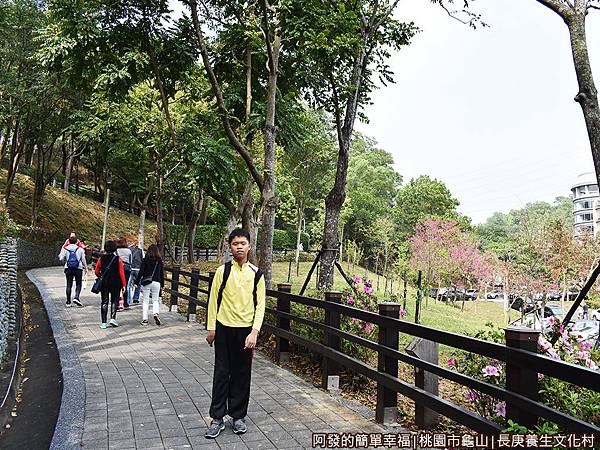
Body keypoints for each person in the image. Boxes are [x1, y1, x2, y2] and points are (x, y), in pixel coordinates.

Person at [204, 229, 266, 439]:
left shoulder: (257, 274)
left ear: (249, 246)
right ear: (230, 247)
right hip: (223, 329)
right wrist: (211, 328)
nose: (239, 246)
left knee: (241, 374)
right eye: (235, 243)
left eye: (243, 243)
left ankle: (238, 416)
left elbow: (261, 306)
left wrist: (254, 332)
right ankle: (217, 418)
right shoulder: (223, 271)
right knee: (222, 373)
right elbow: (213, 300)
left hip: (245, 332)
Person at [95, 240, 127, 328]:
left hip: (104, 282)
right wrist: (124, 284)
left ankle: (104, 323)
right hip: (116, 282)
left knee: (104, 301)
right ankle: (113, 319)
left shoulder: (101, 258)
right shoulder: (118, 259)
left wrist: (100, 276)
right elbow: (121, 272)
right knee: (114, 300)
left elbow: (97, 270)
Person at [134, 244, 164, 326]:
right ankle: (155, 313)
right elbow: (162, 273)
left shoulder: (145, 259)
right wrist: (162, 284)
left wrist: (136, 282)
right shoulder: (159, 260)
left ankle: (145, 319)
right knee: (155, 300)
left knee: (145, 300)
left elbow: (141, 271)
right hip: (157, 282)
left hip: (146, 282)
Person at [58, 235, 88, 307]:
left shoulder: (66, 248)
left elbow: (61, 258)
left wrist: (65, 260)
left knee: (69, 285)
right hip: (78, 268)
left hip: (68, 268)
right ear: (76, 241)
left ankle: (68, 302)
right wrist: (86, 267)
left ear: (69, 241)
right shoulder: (80, 249)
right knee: (78, 284)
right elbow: (83, 259)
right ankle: (76, 297)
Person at [116, 238, 133, 310]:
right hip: (126, 269)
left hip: (118, 268)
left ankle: (117, 303)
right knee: (125, 285)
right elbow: (130, 260)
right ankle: (125, 302)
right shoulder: (129, 251)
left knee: (117, 286)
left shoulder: (116, 250)